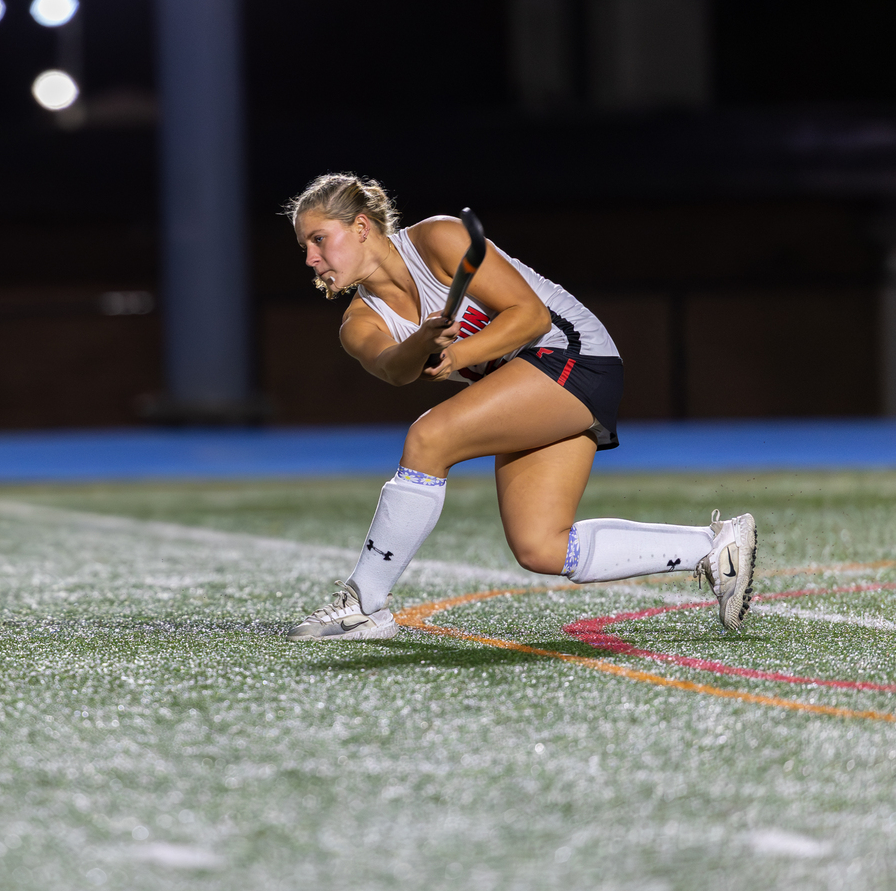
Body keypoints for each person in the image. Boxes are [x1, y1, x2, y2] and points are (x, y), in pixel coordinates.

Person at [283, 174, 755, 639]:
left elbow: (531, 317)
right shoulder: (358, 322)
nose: (311, 258)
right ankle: (715, 547)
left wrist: (456, 353)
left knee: (430, 438)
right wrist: (423, 341)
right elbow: (393, 368)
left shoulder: (438, 239)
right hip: (529, 385)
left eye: (319, 239)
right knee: (541, 547)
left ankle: (363, 604)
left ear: (362, 227)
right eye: (306, 246)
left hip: (572, 356)